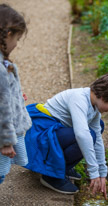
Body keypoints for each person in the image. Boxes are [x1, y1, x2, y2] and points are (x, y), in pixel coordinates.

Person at [24, 72, 108, 198]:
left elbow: (98, 141)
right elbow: (82, 135)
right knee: (87, 134)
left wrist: (102, 173)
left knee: (97, 128)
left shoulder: (94, 108)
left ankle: (61, 167)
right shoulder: (79, 98)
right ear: (104, 95)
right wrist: (93, 172)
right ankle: (51, 176)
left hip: (54, 133)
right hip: (41, 137)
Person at [0, 4, 32, 184]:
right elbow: (2, 108)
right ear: (9, 35)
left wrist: (17, 96)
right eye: (18, 39)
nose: (16, 44)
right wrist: (5, 141)